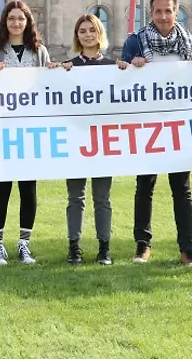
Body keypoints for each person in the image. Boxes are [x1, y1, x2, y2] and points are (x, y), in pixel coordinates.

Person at [121, 0, 192, 268]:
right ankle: (142, 245)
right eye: (158, 11)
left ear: (176, 13)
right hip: (146, 126)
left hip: (179, 126)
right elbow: (118, 79)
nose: (163, 16)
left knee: (182, 189)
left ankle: (187, 249)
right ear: (151, 14)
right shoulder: (135, 42)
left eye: (168, 11)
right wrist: (130, 67)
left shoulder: (189, 43)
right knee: (144, 187)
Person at [0, 1, 55, 266]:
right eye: (11, 18)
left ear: (28, 22)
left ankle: (24, 243)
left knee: (28, 188)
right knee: (1, 187)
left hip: (30, 129)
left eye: (20, 19)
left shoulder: (39, 51)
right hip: (2, 128)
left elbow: (48, 86)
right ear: (5, 21)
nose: (16, 23)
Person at [61, 14, 128, 265]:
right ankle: (74, 246)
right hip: (75, 141)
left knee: (102, 197)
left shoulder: (113, 66)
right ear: (77, 36)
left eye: (92, 30)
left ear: (100, 33)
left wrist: (125, 72)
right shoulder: (68, 67)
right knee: (75, 197)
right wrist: (58, 72)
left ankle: (104, 248)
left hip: (102, 142)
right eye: (82, 31)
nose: (87, 34)